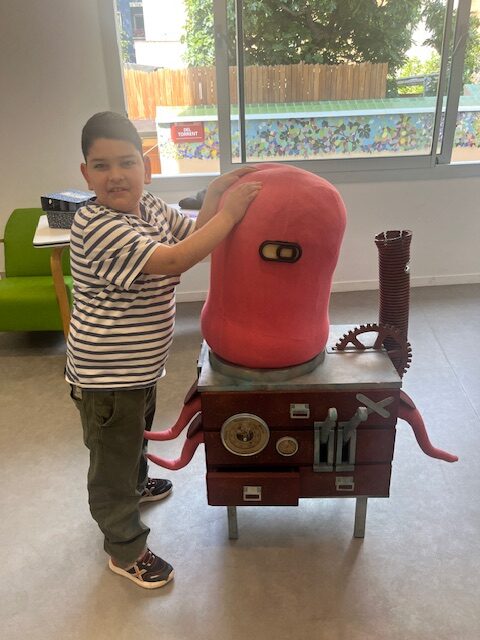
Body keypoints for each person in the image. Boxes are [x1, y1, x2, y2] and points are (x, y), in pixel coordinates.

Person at [66, 111, 261, 589]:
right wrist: (231, 214)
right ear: (86, 174)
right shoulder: (97, 226)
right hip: (106, 375)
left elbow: (191, 232)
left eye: (127, 162)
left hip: (139, 368)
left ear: (146, 168)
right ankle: (125, 548)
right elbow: (176, 259)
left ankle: (137, 484)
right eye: (102, 165)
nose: (116, 175)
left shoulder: (150, 206)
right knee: (112, 463)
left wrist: (215, 195)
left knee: (134, 437)